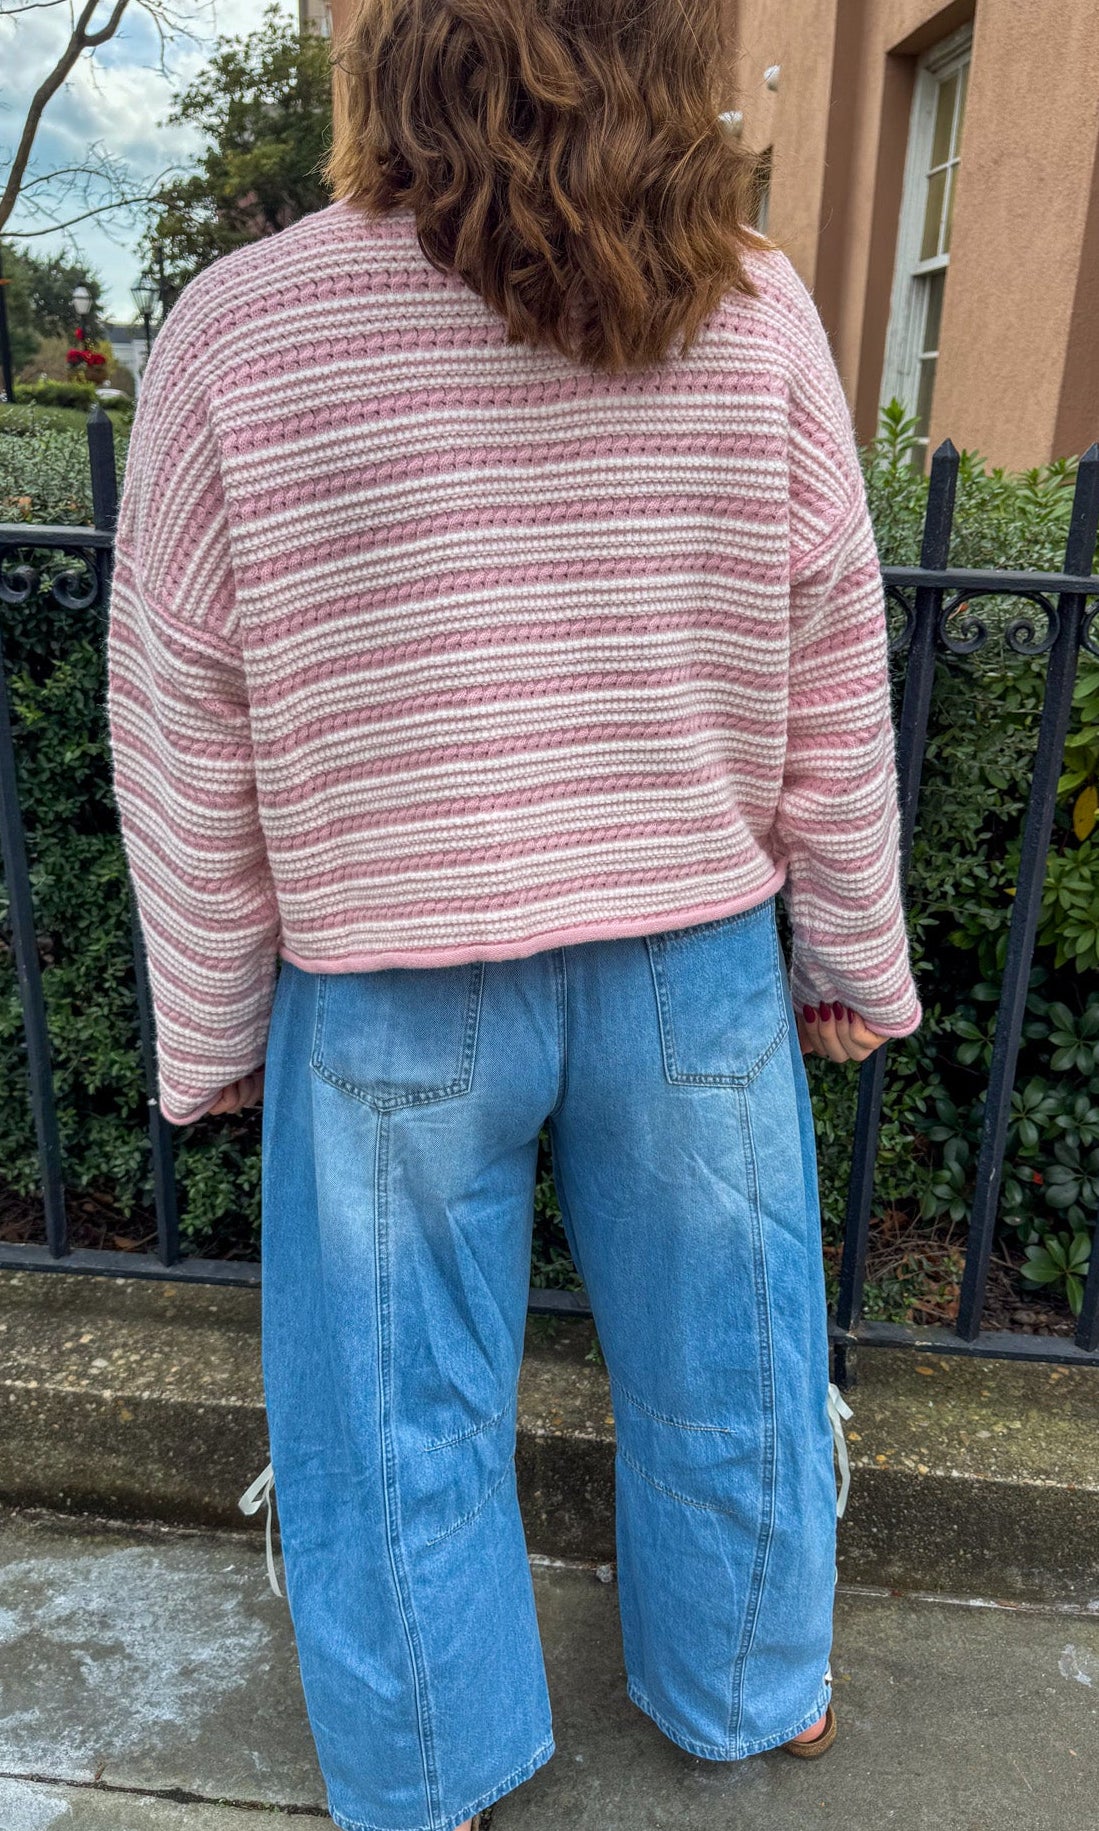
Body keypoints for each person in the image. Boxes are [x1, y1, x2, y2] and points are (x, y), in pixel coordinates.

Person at [105, 1, 922, 1826]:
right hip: (690, 959)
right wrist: (853, 946)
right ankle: (749, 1686)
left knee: (391, 1415)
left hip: (390, 978)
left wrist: (213, 1021)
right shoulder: (755, 306)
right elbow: (830, 643)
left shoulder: (240, 332)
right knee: (737, 1355)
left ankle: (424, 1762)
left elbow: (184, 714)